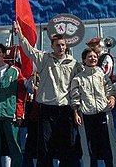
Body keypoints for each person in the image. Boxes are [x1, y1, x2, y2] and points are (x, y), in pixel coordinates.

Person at [14, 20, 82, 167]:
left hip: (65, 109)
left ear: (66, 46)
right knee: (45, 145)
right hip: (46, 109)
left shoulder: (74, 64)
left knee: (66, 145)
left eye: (63, 45)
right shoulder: (44, 59)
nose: (60, 47)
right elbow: (29, 50)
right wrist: (20, 34)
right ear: (52, 46)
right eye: (57, 45)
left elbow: (83, 82)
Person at [69, 48, 116, 167]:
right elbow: (75, 97)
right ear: (84, 60)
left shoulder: (102, 75)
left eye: (95, 56)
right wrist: (76, 112)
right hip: (86, 116)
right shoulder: (78, 78)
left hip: (103, 114)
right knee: (89, 149)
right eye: (90, 57)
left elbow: (110, 89)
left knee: (109, 147)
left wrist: (112, 98)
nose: (93, 59)